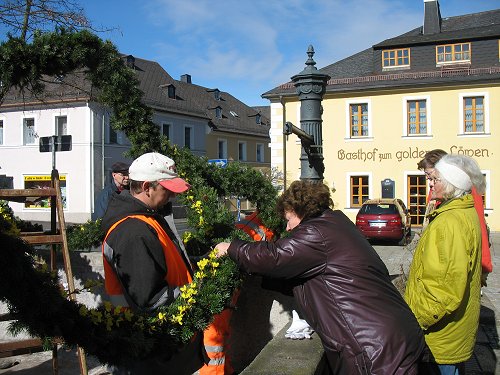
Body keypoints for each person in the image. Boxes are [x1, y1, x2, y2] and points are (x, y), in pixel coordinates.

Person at [216, 180, 425, 374]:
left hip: (373, 350)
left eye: (288, 220)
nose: (287, 228)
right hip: (389, 338)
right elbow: (311, 276)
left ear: (301, 210)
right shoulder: (335, 223)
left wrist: (232, 248)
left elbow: (275, 257)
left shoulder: (316, 234)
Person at [101, 152, 207, 375]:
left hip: (163, 347)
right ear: (147, 187)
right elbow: (149, 298)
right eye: (167, 189)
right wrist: (199, 293)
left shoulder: (146, 219)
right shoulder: (133, 231)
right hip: (153, 353)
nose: (171, 195)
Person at [405, 154, 483, 374]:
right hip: (452, 334)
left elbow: (445, 290)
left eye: (435, 179)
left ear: (451, 184)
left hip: (440, 337)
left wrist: (412, 321)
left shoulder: (449, 223)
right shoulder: (464, 212)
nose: (430, 183)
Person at [418, 150, 492, 283]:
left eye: (431, 176)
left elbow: (478, 227)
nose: (429, 182)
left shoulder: (465, 193)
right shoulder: (439, 193)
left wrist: (484, 264)